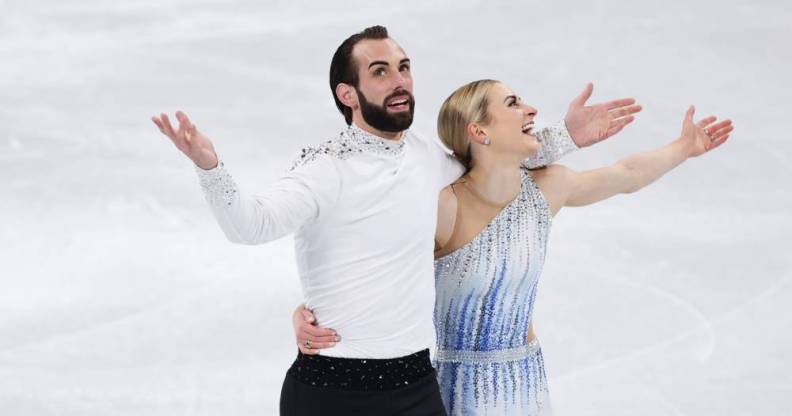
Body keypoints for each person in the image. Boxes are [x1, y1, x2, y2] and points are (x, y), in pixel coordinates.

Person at [152, 25, 640, 416]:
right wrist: (210, 166)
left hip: (413, 386)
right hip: (329, 390)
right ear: (349, 93)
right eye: (380, 72)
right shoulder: (325, 167)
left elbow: (494, 165)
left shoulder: (430, 159)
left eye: (403, 67)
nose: (400, 80)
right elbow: (249, 226)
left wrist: (565, 137)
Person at [298, 79, 732, 415]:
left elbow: (626, 174)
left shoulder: (547, 188)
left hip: (526, 378)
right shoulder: (444, 206)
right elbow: (370, 262)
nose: (531, 110)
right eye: (513, 104)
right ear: (479, 131)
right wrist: (307, 311)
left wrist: (684, 147)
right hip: (459, 388)